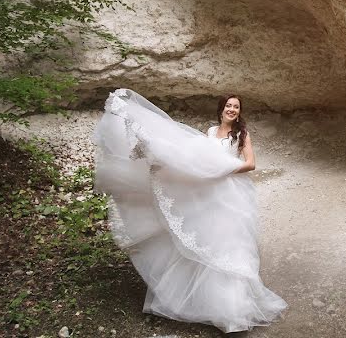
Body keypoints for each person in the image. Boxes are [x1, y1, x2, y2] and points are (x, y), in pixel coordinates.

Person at [92, 88, 287, 333]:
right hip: (208, 191)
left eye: (236, 107)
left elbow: (250, 164)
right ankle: (210, 305)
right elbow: (197, 159)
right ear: (222, 109)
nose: (232, 109)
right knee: (206, 239)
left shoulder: (242, 134)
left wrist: (221, 170)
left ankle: (236, 310)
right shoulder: (210, 132)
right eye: (229, 105)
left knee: (229, 243)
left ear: (239, 113)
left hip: (231, 192)